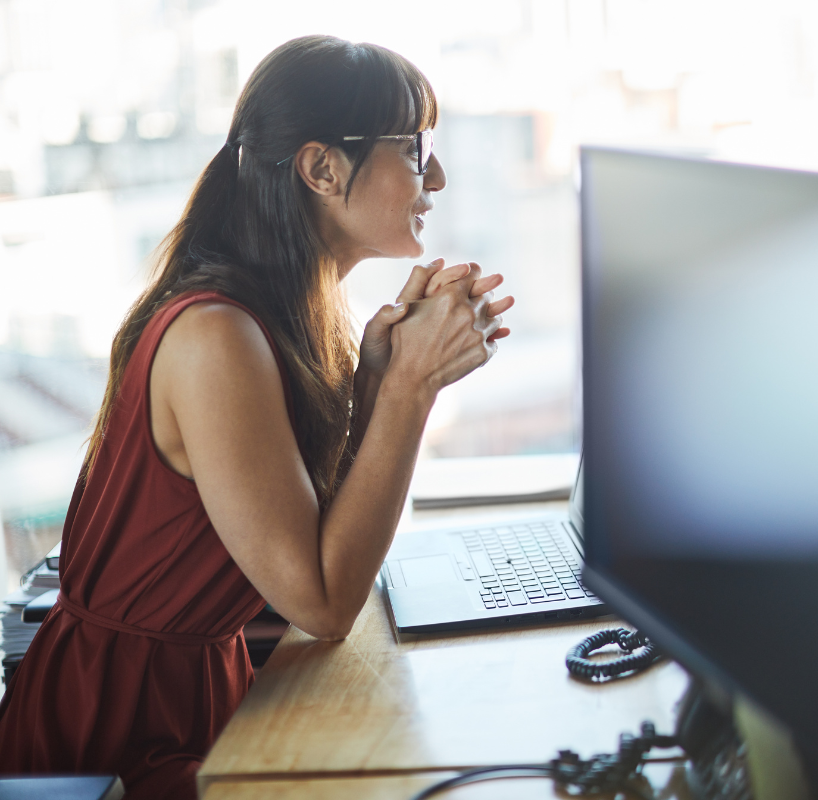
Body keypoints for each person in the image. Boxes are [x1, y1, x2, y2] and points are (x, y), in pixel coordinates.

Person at [0, 35, 511, 798]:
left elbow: (320, 540)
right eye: (413, 145)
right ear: (320, 168)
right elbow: (323, 599)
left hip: (198, 690)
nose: (434, 173)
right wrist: (411, 390)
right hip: (115, 733)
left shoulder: (290, 317)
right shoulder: (217, 336)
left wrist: (374, 385)